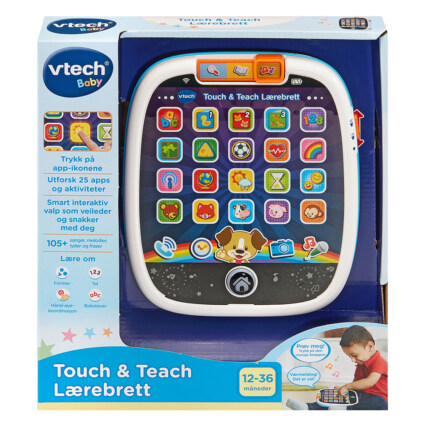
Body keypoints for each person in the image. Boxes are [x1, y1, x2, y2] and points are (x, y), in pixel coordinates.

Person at [287, 325, 388, 410]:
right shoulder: (360, 364)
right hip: (360, 398)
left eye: (354, 355)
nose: (353, 360)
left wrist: (347, 387)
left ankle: (342, 408)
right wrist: (343, 389)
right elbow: (355, 384)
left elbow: (369, 382)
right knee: (340, 396)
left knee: (377, 401)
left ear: (370, 346)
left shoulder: (379, 361)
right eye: (350, 357)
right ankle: (309, 407)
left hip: (379, 402)